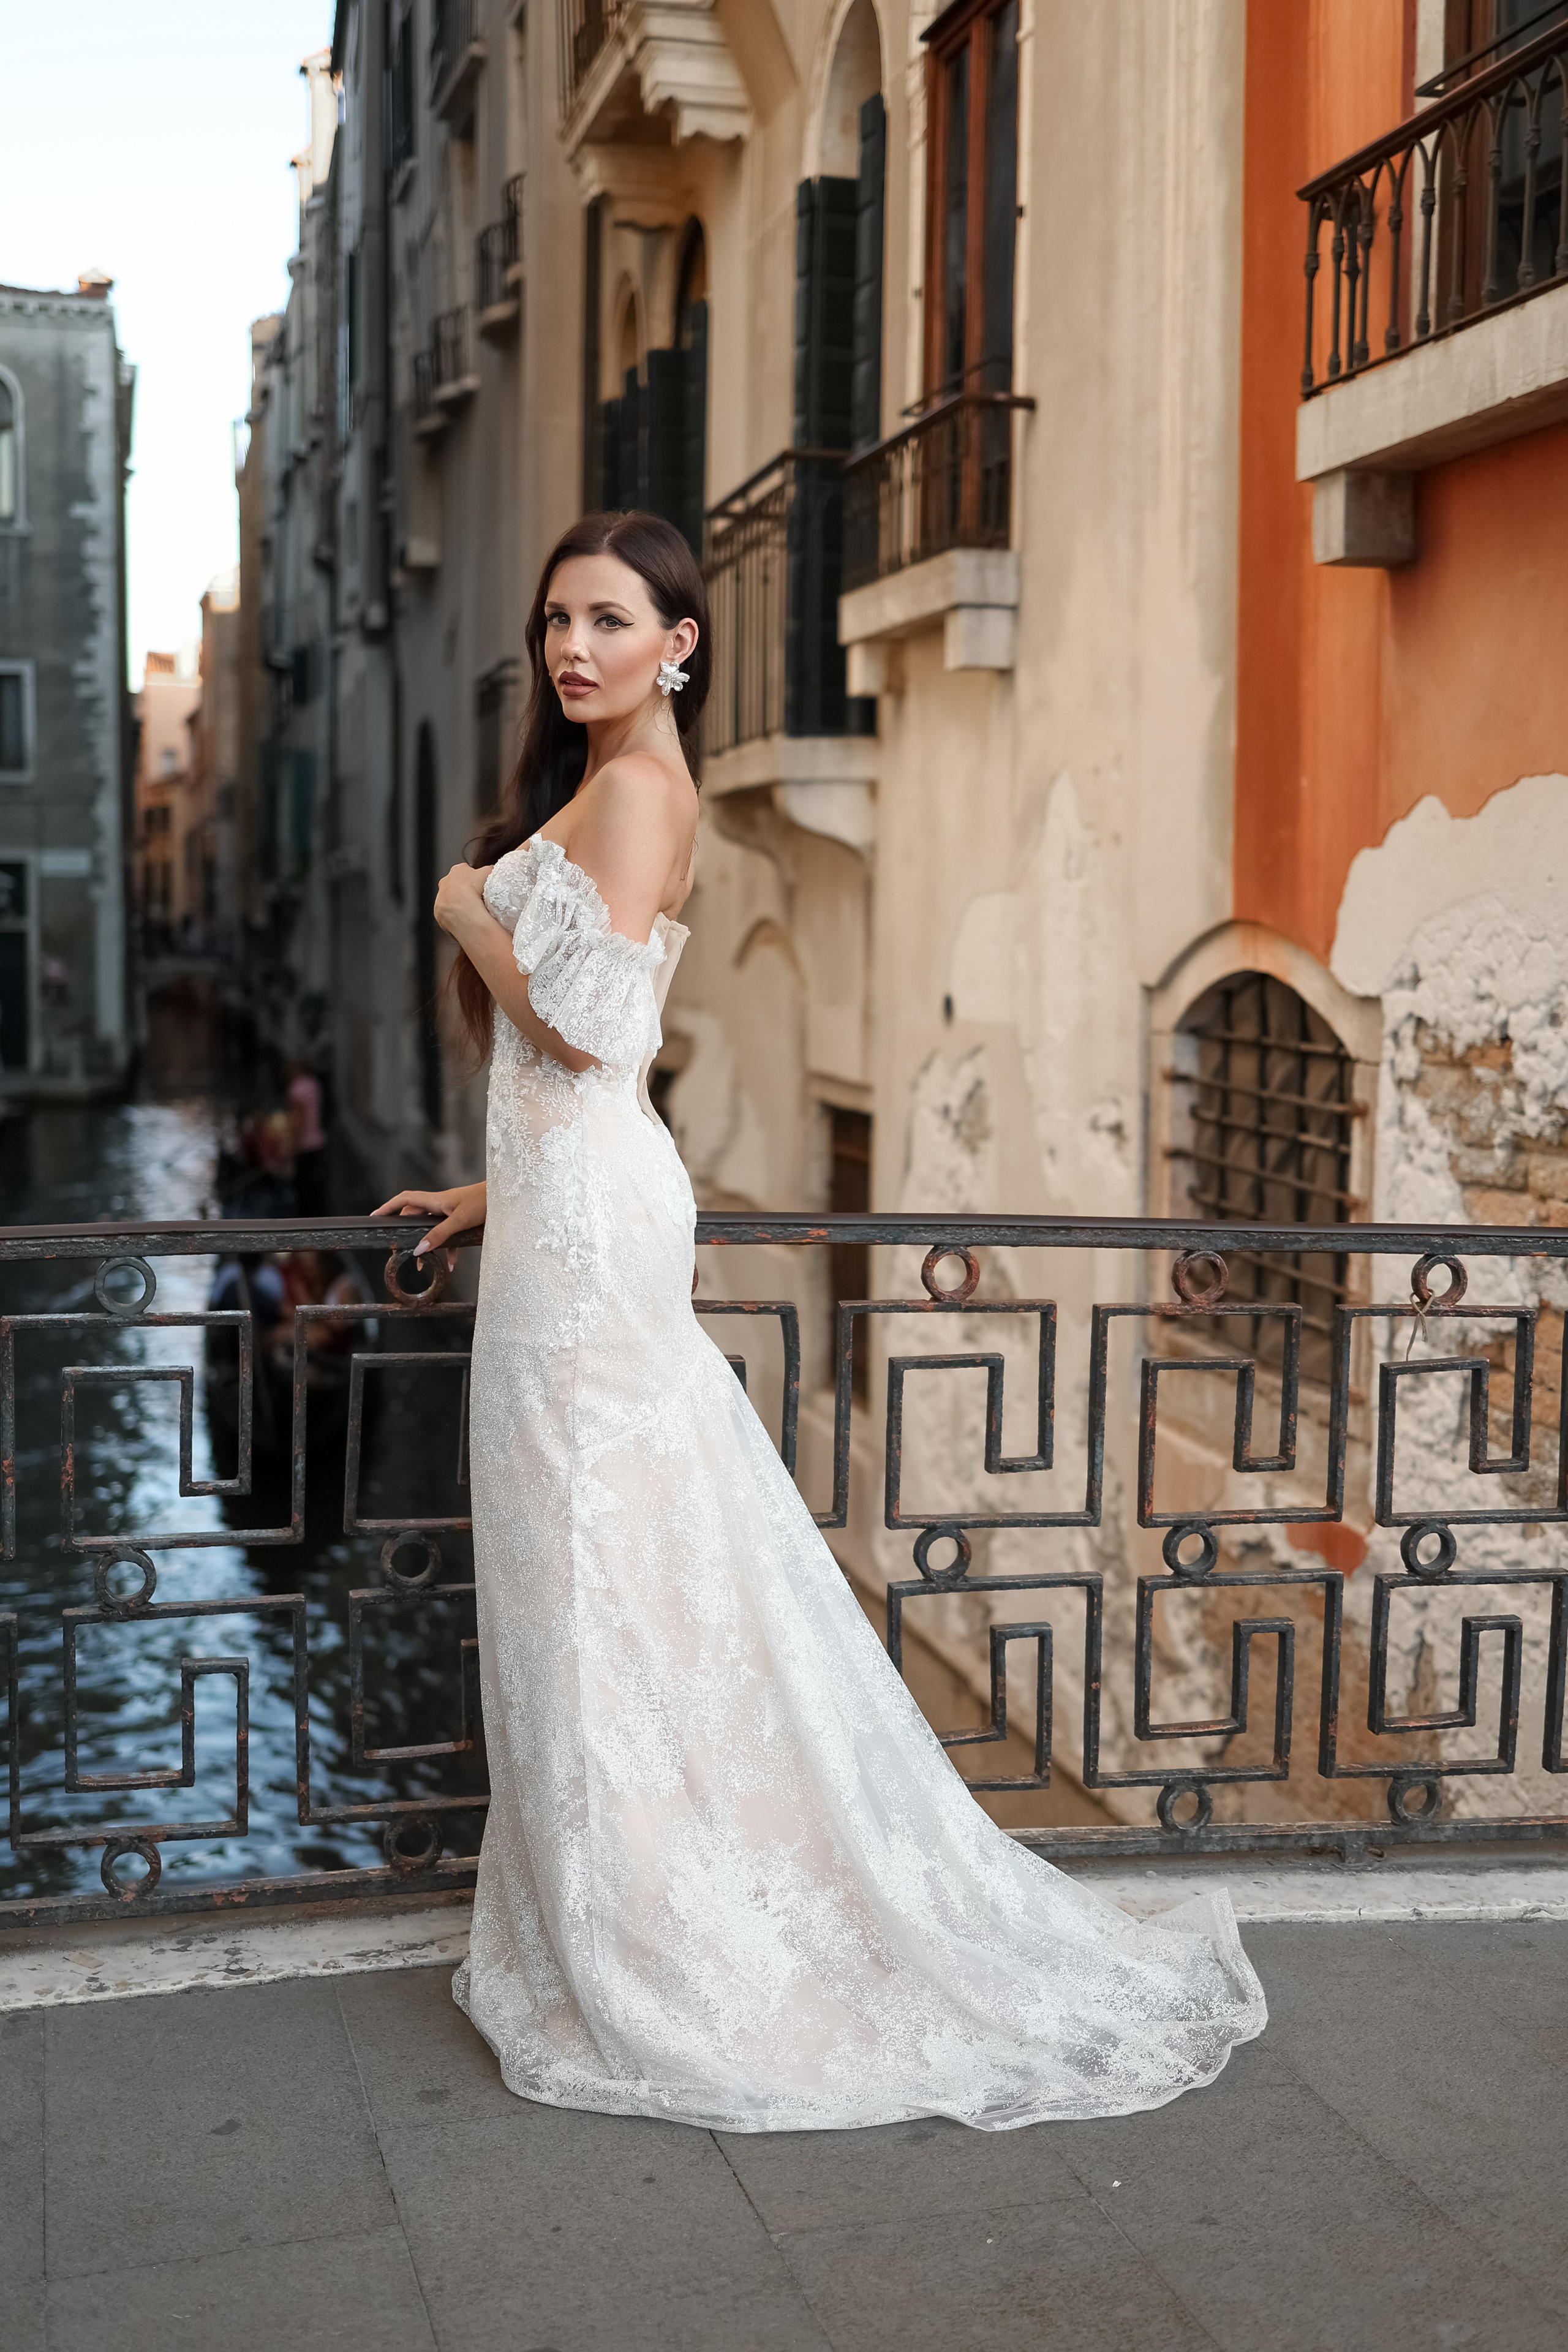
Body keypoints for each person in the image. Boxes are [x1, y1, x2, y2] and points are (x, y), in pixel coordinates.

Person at [374, 511, 1265, 2133]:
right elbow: (589, 1082)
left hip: (591, 1246)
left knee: (596, 1570)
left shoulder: (642, 791)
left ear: (679, 645)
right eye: (557, 621)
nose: (572, 647)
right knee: (607, 1563)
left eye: (609, 620)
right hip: (566, 1215)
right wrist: (488, 1191)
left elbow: (584, 1030)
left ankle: (653, 1936)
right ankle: (619, 1898)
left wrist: (462, 912)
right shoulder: (611, 782)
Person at [287, 1058, 329, 1216]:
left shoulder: (297, 1089)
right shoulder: (314, 1084)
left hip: (305, 1148)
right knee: (316, 1194)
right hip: (318, 1144)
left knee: (304, 1196)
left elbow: (299, 1123)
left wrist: (291, 1154)